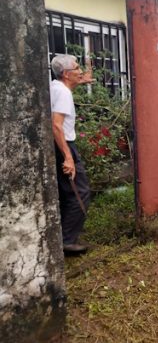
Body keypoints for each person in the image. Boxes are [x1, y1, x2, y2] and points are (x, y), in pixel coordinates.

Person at [50, 54, 92, 254]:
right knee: (80, 193)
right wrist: (68, 157)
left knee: (66, 193)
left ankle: (60, 237)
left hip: (59, 145)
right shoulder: (64, 94)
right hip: (64, 144)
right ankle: (67, 241)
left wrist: (81, 81)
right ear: (66, 74)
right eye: (77, 68)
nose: (80, 71)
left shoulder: (55, 87)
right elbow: (56, 126)